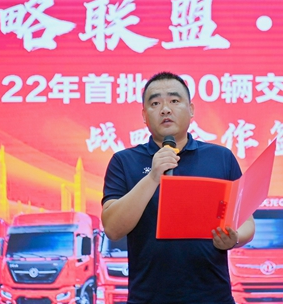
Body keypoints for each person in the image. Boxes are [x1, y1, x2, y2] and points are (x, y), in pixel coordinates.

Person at [101, 71, 255, 304]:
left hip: (213, 297)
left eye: (174, 100)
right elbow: (113, 228)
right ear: (144, 115)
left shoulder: (221, 157)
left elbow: (246, 222)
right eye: (155, 103)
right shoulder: (124, 161)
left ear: (191, 109)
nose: (165, 109)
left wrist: (233, 239)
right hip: (148, 298)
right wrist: (153, 177)